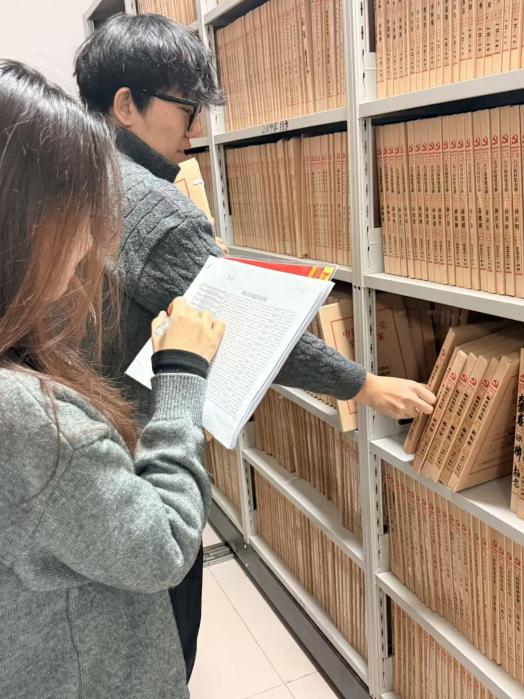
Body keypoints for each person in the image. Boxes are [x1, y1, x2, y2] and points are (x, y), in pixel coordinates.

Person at [74, 12, 436, 681]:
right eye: (186, 110)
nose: (196, 132)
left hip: (86, 445)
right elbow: (243, 329)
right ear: (126, 104)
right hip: (136, 452)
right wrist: (363, 383)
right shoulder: (155, 207)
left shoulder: (75, 175)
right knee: (166, 638)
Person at [0, 60, 223, 699]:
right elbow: (162, 546)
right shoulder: (30, 421)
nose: (87, 242)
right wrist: (181, 375)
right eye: (75, 210)